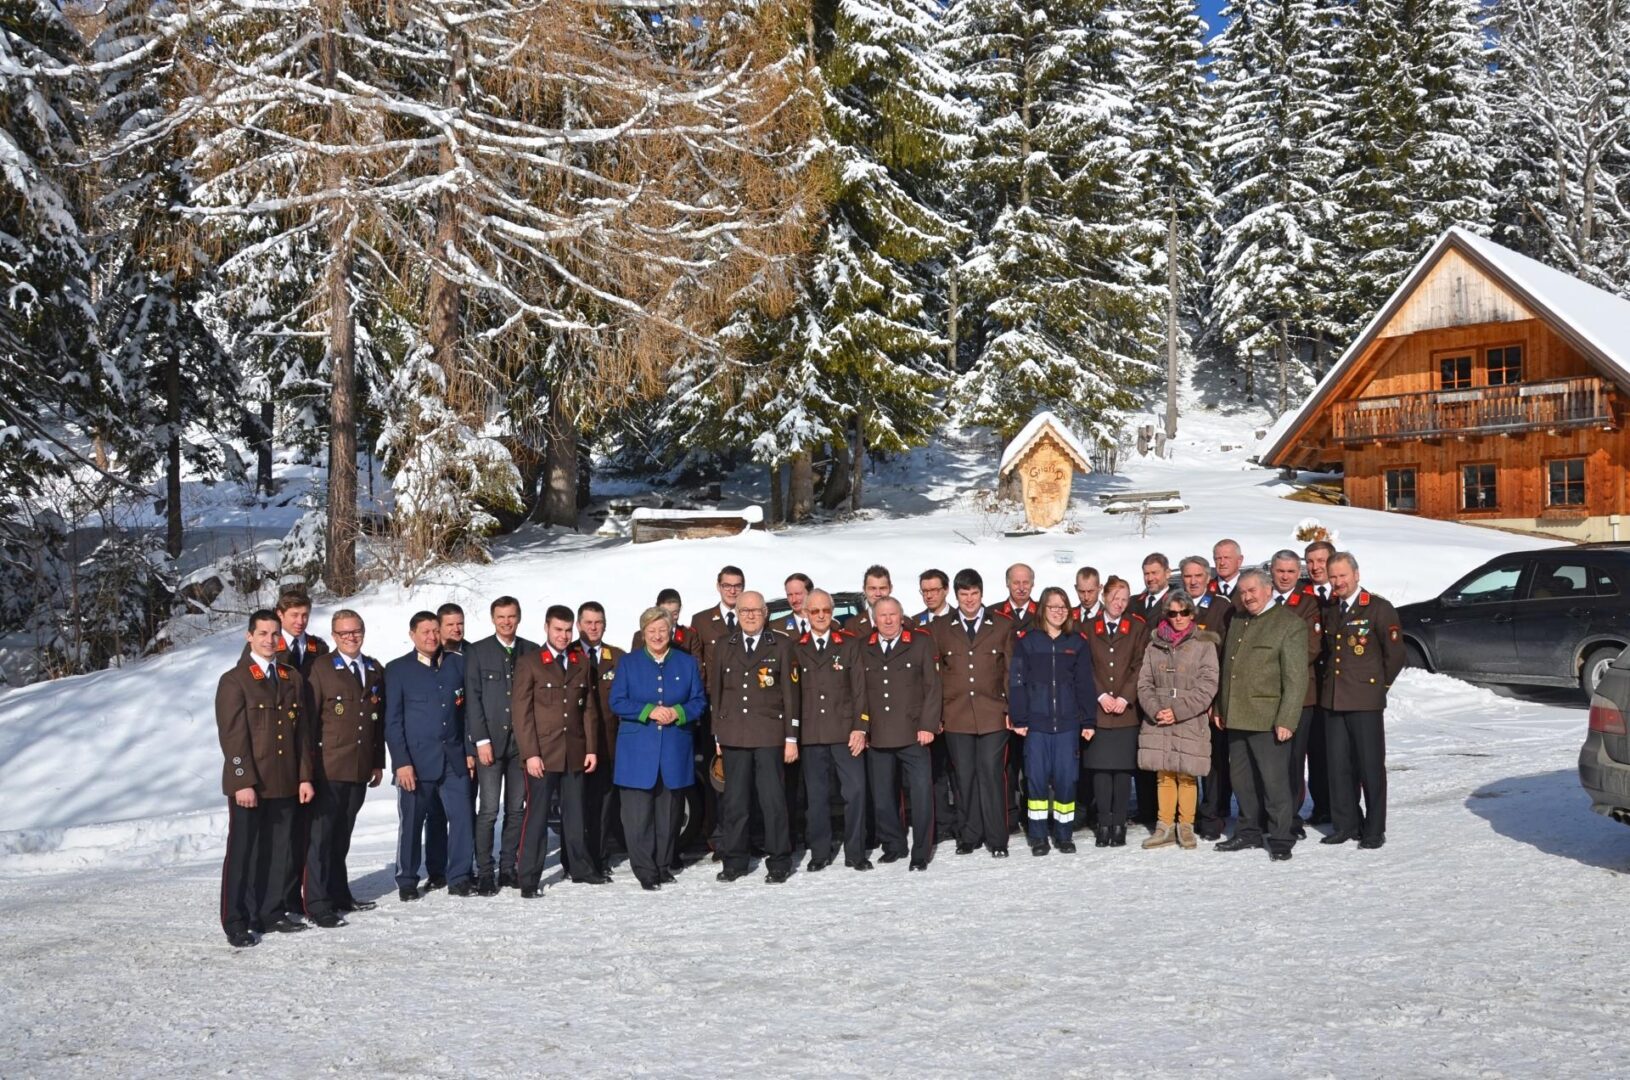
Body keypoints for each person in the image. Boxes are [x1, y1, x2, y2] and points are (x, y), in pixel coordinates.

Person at [217, 610, 315, 947]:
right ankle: (236, 919)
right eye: (263, 634)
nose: (270, 640)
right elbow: (232, 737)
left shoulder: (291, 677)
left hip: (285, 781)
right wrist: (242, 780)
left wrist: (304, 777)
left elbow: (301, 732)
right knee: (244, 853)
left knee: (279, 850)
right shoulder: (235, 680)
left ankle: (271, 912)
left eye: (275, 634)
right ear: (249, 637)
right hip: (251, 784)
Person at [1214, 569, 1308, 861]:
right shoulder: (1239, 620)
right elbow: (1228, 670)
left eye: (1252, 590)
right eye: (1242, 592)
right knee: (1241, 780)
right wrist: (1220, 706)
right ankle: (1249, 831)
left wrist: (1287, 719)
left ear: (1268, 590)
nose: (1247, 597)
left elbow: (1296, 679)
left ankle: (1281, 836)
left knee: (1274, 781)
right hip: (1236, 716)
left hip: (1268, 719)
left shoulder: (1288, 624)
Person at [708, 591, 800, 884]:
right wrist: (718, 734)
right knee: (735, 803)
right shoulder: (725, 645)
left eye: (755, 611)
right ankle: (735, 861)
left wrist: (791, 738)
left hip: (769, 735)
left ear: (766, 614)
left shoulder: (782, 645)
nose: (749, 615)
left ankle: (779, 860)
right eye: (744, 610)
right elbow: (717, 692)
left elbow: (790, 695)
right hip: (734, 735)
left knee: (773, 802)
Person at [612, 608, 706, 890]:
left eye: (662, 630)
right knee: (638, 817)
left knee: (670, 814)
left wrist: (678, 711)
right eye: (651, 631)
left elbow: (699, 701)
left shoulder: (686, 663)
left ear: (670, 632)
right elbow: (617, 702)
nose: (657, 635)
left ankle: (663, 865)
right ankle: (644, 869)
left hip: (674, 750)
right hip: (637, 751)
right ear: (643, 634)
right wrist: (649, 711)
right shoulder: (628, 663)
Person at [301, 609, 384, 928]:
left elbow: (375, 722)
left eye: (356, 631)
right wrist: (306, 771)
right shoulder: (320, 669)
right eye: (345, 633)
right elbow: (308, 724)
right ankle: (317, 902)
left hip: (359, 767)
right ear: (334, 636)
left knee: (343, 836)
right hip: (328, 766)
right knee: (320, 838)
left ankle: (338, 893)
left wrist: (377, 762)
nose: (352, 637)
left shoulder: (374, 668)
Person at [513, 605, 603, 895]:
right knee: (536, 818)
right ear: (546, 628)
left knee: (575, 815)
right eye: (558, 630)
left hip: (574, 752)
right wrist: (530, 754)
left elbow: (589, 709)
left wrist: (591, 748)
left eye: (567, 630)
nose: (564, 636)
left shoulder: (580, 662)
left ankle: (579, 868)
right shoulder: (530, 663)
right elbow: (521, 713)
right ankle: (528, 878)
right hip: (543, 754)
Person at [385, 612, 475, 901]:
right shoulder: (398, 670)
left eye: (436, 630)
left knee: (462, 818)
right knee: (412, 823)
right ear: (412, 635)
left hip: (454, 758)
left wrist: (470, 752)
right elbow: (393, 722)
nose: (432, 637)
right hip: (416, 762)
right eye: (425, 632)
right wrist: (401, 762)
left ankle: (459, 875)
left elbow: (469, 714)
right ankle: (408, 879)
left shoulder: (457, 664)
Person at [1320, 552, 1404, 849]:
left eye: (1343, 576)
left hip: (1365, 700)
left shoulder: (1378, 608)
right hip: (1333, 699)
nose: (1338, 582)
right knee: (1338, 766)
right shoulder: (1331, 609)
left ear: (1356, 575)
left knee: (1370, 766)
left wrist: (1379, 687)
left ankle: (1374, 828)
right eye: (1333, 577)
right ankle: (1345, 825)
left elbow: (1395, 655)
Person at [929, 568, 1012, 858]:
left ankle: (997, 838)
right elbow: (935, 677)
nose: (969, 600)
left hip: (993, 714)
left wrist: (1011, 709)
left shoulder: (1001, 625)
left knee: (991, 774)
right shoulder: (940, 628)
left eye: (974, 593)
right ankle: (970, 834)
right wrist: (936, 715)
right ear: (956, 595)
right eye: (963, 594)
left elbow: (1009, 672)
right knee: (963, 777)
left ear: (981, 593)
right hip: (956, 715)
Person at [1008, 587, 1095, 855]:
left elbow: (1084, 685)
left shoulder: (1076, 643)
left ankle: (1064, 833)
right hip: (1036, 725)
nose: (1058, 611)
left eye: (1063, 606)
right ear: (1042, 609)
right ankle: (1038, 835)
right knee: (1036, 780)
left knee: (1066, 780)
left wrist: (1089, 720)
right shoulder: (1028, 642)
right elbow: (1017, 682)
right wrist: (1020, 717)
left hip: (1067, 725)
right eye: (1053, 606)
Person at [859, 597, 942, 870]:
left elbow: (932, 687)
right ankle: (894, 844)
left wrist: (928, 725)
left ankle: (921, 851)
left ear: (901, 615)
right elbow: (859, 692)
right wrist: (862, 728)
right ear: (874, 619)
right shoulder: (864, 647)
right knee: (883, 797)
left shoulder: (919, 642)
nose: (888, 620)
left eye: (893, 614)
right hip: (879, 734)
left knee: (920, 795)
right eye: (882, 615)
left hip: (913, 733)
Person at [792, 589, 870, 871]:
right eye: (815, 611)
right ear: (805, 613)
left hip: (845, 732)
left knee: (856, 792)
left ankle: (856, 852)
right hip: (812, 734)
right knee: (816, 798)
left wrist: (860, 728)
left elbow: (860, 689)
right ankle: (820, 853)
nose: (821, 616)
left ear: (832, 611)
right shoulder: (796, 648)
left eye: (826, 610)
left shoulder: (848, 645)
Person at [463, 596, 536, 894]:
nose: (507, 622)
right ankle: (485, 871)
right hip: (490, 744)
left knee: (516, 810)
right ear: (493, 619)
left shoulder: (531, 650)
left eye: (512, 616)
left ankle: (508, 867)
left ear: (519, 617)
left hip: (521, 744)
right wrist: (480, 740)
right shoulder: (478, 652)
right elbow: (473, 699)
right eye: (501, 617)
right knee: (489, 810)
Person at [1136, 594, 1218, 851]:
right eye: (1172, 613)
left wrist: (1178, 711)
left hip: (1188, 718)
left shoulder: (1204, 644)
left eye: (1183, 612)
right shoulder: (1154, 646)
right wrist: (1155, 709)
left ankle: (1186, 825)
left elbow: (1208, 685)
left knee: (1187, 774)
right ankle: (1165, 826)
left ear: (1192, 614)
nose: (1178, 618)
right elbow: (1144, 683)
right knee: (1164, 774)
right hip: (1159, 718)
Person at [1084, 577, 1147, 848]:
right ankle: (1104, 822)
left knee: (1122, 771)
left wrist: (1125, 696)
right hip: (1099, 710)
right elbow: (1084, 665)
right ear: (1104, 597)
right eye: (1114, 598)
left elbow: (1140, 663)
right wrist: (1099, 694)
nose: (1119, 604)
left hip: (1125, 712)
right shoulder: (1087, 627)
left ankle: (1119, 823)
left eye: (1124, 599)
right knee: (1100, 770)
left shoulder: (1137, 627)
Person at [1269, 550, 1324, 835]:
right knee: (1269, 759)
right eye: (1280, 571)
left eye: (1291, 571)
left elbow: (1310, 648)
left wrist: (1271, 668)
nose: (1285, 576)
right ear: (1272, 571)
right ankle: (1270, 815)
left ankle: (1290, 818)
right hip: (1265, 696)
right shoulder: (1261, 599)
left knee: (1293, 761)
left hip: (1299, 695)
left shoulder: (1307, 604)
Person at [1183, 556, 1236, 842]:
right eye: (1188, 576)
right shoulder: (1176, 607)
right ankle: (1188, 813)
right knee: (1188, 758)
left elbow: (1227, 658)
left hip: (1209, 699)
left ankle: (1212, 814)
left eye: (1198, 575)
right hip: (1182, 699)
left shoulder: (1220, 607)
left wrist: (1218, 702)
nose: (1193, 581)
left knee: (1213, 762)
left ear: (1208, 577)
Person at [578, 601, 624, 877]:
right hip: (574, 745)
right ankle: (577, 859)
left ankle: (601, 857)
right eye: (588, 622)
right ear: (579, 625)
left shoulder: (617, 656)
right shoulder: (568, 654)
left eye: (598, 622)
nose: (594, 627)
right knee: (576, 807)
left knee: (605, 805)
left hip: (608, 744)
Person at [1299, 539, 1338, 823]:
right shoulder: (1302, 597)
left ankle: (1342, 806)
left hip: (1340, 688)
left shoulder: (1342, 594)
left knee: (1339, 753)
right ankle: (1321, 805)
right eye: (1310, 562)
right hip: (1311, 688)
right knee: (1314, 750)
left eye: (1320, 561)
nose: (1314, 567)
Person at [690, 565, 746, 685]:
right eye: (727, 586)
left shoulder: (752, 618)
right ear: (718, 587)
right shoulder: (701, 621)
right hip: (714, 691)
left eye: (737, 586)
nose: (732, 591)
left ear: (743, 588)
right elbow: (695, 662)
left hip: (746, 691)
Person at [631, 588, 694, 655]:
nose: (670, 618)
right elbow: (633, 662)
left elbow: (696, 663)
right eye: (665, 614)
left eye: (675, 614)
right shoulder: (640, 636)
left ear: (680, 609)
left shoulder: (689, 635)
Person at [845, 564, 893, 637]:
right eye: (872, 588)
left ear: (891, 589)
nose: (878, 594)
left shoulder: (906, 623)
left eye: (882, 588)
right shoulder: (851, 626)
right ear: (864, 589)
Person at [986, 563, 1038, 629]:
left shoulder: (1043, 611)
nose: (1021, 588)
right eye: (1016, 583)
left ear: (1032, 584)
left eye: (1025, 583)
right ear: (1007, 583)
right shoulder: (991, 613)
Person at [1137, 554, 1175, 618]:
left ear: (1167, 573)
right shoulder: (1131, 602)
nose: (1150, 578)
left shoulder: (1178, 601)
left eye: (1154, 573)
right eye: (1146, 574)